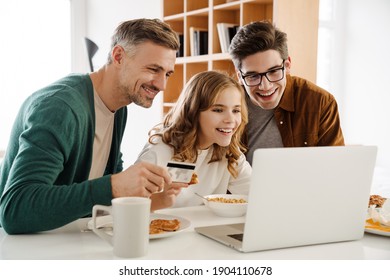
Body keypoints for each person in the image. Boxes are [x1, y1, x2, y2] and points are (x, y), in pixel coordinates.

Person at [0, 18, 187, 234]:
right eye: (154, 69)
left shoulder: (119, 107)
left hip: (71, 239)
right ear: (118, 57)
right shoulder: (59, 108)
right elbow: (15, 211)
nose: (162, 84)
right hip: (27, 249)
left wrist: (153, 198)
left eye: (167, 73)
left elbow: (100, 193)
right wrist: (115, 185)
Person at [229, 21, 345, 165]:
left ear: (287, 65)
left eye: (273, 71)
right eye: (253, 76)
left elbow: (335, 166)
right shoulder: (225, 103)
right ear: (239, 76)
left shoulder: (320, 102)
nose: (265, 86)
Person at [136, 70, 251, 209]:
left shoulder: (230, 153)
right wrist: (161, 200)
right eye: (218, 110)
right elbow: (127, 208)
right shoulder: (161, 151)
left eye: (236, 110)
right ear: (194, 112)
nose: (231, 120)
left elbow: (257, 195)